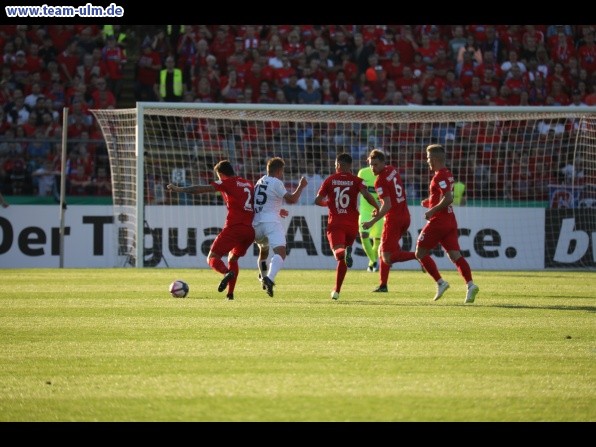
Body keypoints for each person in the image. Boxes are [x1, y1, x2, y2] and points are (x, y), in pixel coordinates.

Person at [166, 160, 255, 300]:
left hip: (234, 227)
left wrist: (180, 189)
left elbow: (200, 189)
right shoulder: (248, 184)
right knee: (233, 258)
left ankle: (226, 273)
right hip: (250, 230)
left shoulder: (227, 182)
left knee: (212, 257)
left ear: (220, 174)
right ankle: (230, 294)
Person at [416, 144, 480, 304]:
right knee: (455, 255)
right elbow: (443, 197)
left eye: (428, 158)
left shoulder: (439, 176)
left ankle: (440, 282)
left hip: (439, 221)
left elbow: (449, 198)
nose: (427, 161)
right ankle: (470, 285)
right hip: (450, 220)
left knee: (420, 253)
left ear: (436, 159)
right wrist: (430, 202)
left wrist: (432, 211)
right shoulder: (446, 174)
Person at [315, 153, 379, 300]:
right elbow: (366, 195)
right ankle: (336, 291)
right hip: (352, 224)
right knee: (343, 260)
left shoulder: (330, 180)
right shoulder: (357, 180)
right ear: (350, 166)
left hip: (336, 223)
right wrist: (377, 206)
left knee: (338, 253)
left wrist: (328, 204)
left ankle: (345, 252)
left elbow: (317, 200)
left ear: (338, 165)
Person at [362, 149, 418, 293]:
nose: (372, 168)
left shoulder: (379, 181)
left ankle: (419, 256)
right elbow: (391, 198)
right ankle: (383, 285)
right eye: (370, 165)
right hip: (405, 216)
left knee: (387, 256)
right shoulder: (392, 170)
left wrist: (372, 221)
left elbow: (387, 205)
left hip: (394, 220)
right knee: (383, 250)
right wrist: (380, 209)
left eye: (375, 164)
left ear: (382, 162)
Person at [253, 157, 307, 297]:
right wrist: (301, 186)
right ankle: (269, 279)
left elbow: (262, 202)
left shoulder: (260, 182)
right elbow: (292, 199)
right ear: (278, 170)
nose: (282, 174)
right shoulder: (276, 182)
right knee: (281, 253)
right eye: (282, 171)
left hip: (256, 224)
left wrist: (278, 210)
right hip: (271, 223)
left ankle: (263, 281)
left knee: (263, 251)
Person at [357, 164, 382, 272]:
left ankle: (372, 264)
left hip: (380, 210)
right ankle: (374, 261)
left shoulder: (383, 174)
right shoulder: (363, 172)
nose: (373, 165)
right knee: (364, 235)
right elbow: (357, 189)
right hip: (365, 211)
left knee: (377, 239)